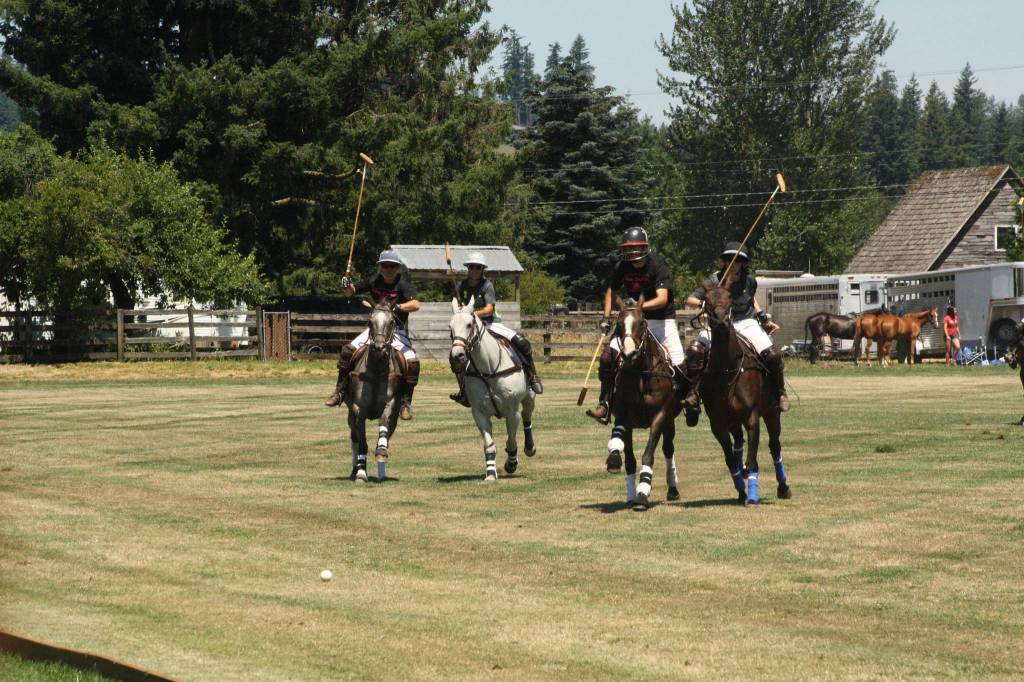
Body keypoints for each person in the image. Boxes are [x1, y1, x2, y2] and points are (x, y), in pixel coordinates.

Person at [585, 227, 687, 424]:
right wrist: (606, 317)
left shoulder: (658, 264)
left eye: (637, 248)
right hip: (632, 324)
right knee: (607, 358)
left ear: (645, 247)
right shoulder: (622, 267)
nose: (632, 252)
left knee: (679, 363)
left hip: (661, 320)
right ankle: (605, 403)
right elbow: (611, 291)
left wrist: (636, 309)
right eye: (628, 249)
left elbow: (662, 299)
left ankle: (688, 399)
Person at [683, 241, 789, 414]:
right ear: (724, 261)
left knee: (773, 355)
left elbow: (751, 299)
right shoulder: (714, 280)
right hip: (719, 325)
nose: (734, 263)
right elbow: (690, 299)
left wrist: (761, 314)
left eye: (738, 260)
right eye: (730, 259)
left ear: (743, 263)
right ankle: (693, 393)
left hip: (746, 323)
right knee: (695, 351)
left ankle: (780, 393)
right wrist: (706, 304)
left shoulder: (750, 281)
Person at [324, 250, 421, 420]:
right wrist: (346, 285)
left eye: (392, 266)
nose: (388, 269)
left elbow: (416, 304)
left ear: (397, 268)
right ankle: (339, 391)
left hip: (396, 331)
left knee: (412, 362)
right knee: (347, 351)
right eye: (385, 265)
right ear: (380, 267)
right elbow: (351, 292)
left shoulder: (403, 284)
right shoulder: (374, 280)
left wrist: (399, 307)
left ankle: (405, 403)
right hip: (375, 330)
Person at [449, 251, 544, 405]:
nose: (474, 270)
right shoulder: (461, 286)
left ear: (482, 269)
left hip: (491, 323)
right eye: (471, 267)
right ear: (468, 268)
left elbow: (489, 309)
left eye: (478, 267)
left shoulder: (487, 285)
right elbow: (456, 307)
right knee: (456, 356)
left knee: (522, 343)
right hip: (470, 328)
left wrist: (473, 314)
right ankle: (464, 391)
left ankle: (532, 376)